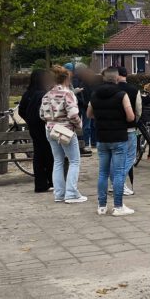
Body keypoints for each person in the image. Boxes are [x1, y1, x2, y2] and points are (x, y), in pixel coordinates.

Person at [87, 67, 136, 215]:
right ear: (117, 78)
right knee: (119, 172)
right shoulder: (121, 94)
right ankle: (118, 206)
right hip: (119, 137)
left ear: (104, 78)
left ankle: (102, 206)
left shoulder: (95, 94)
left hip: (102, 138)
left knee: (103, 173)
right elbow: (131, 117)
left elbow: (89, 114)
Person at [40, 65, 85, 204]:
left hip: (50, 129)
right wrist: (79, 125)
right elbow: (73, 114)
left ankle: (59, 193)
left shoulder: (47, 94)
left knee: (58, 161)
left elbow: (42, 114)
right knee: (74, 161)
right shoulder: (67, 93)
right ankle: (71, 193)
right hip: (66, 130)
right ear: (66, 78)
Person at [19, 69, 53, 193]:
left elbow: (21, 110)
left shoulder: (27, 94)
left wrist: (29, 120)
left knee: (38, 155)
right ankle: (51, 181)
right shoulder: (43, 94)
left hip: (34, 128)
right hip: (44, 127)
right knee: (49, 154)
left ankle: (40, 183)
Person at [116, 66, 142, 196]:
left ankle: (114, 182)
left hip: (113, 128)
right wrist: (134, 121)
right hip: (129, 128)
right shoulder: (134, 90)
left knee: (116, 158)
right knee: (130, 157)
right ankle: (119, 182)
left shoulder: (111, 89)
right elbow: (138, 110)